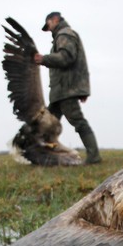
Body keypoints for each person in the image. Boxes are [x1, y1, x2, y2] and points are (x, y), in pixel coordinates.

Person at [33, 11, 101, 164]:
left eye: (49, 24)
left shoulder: (64, 34)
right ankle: (45, 155)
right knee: (47, 124)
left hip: (66, 90)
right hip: (61, 90)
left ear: (55, 19)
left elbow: (66, 58)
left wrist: (43, 59)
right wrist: (82, 89)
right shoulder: (63, 35)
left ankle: (94, 157)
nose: (48, 28)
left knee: (78, 122)